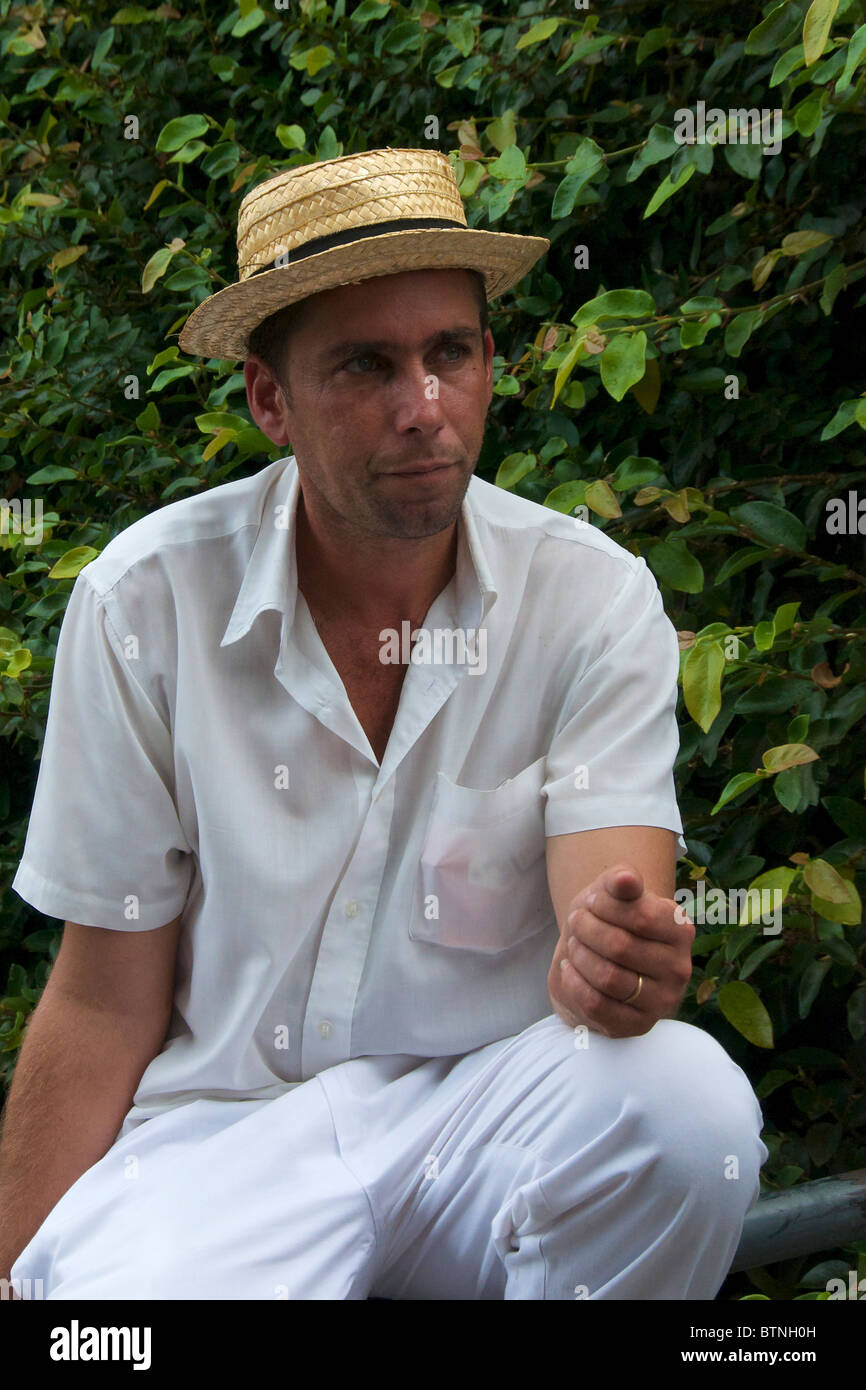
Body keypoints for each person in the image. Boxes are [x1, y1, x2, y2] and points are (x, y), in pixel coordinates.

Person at [1, 148, 767, 1300]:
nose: (424, 409)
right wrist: (15, 1264)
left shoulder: (590, 598)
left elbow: (606, 913)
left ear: (486, 364)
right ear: (270, 399)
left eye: (447, 354)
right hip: (224, 1149)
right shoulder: (142, 604)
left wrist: (610, 963)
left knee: (680, 1099)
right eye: (366, 365)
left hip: (487, 1114)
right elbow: (104, 996)